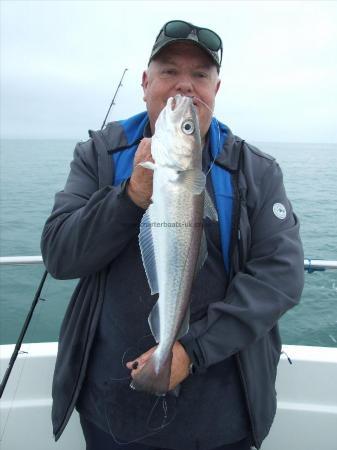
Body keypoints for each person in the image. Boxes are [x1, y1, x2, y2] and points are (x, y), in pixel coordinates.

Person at [41, 20, 304, 450]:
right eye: (169, 72)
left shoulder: (256, 170)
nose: (185, 87)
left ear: (217, 89)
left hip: (221, 414)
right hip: (110, 406)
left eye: (200, 75)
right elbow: (59, 256)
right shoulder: (100, 155)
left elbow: (281, 277)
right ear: (145, 83)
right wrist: (128, 198)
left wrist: (190, 350)